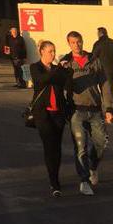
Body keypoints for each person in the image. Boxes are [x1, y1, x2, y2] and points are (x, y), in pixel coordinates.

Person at [60, 31, 113, 196]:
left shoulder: (94, 61)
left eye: (79, 42)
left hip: (95, 110)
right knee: (80, 147)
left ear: (83, 42)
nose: (77, 45)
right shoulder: (67, 63)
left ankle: (92, 168)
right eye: (73, 43)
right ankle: (84, 181)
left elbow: (105, 85)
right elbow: (59, 87)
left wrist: (109, 108)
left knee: (101, 143)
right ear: (68, 44)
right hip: (76, 111)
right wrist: (61, 71)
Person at [30, 40, 73, 197]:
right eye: (50, 51)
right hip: (43, 113)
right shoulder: (35, 67)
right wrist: (58, 69)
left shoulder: (57, 69)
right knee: (49, 146)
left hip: (58, 113)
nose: (53, 54)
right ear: (41, 51)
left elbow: (67, 84)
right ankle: (54, 182)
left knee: (57, 147)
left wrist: (68, 71)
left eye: (54, 51)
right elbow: (42, 80)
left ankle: (55, 176)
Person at [92, 27, 113, 116]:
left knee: (107, 91)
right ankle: (112, 111)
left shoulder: (98, 44)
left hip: (104, 72)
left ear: (100, 34)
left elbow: (93, 57)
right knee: (109, 90)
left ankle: (112, 112)